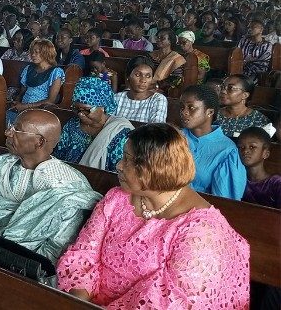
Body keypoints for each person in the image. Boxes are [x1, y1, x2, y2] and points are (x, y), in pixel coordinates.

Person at [57, 123, 249, 308]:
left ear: (153, 168)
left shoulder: (201, 233)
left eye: (127, 159)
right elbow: (84, 253)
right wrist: (79, 302)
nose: (119, 165)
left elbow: (167, 303)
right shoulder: (117, 198)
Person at [0, 109, 101, 263]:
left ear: (40, 142)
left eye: (16, 130)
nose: (7, 133)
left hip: (33, 264)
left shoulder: (69, 184)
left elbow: (58, 244)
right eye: (10, 126)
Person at [53, 77, 133, 173]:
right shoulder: (72, 125)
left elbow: (118, 171)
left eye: (87, 110)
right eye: (76, 108)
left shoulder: (121, 133)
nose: (80, 114)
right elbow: (58, 157)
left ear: (103, 107)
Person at [179, 85, 246, 200]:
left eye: (191, 107)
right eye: (182, 107)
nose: (184, 112)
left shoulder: (227, 150)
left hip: (203, 212)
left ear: (209, 112)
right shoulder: (174, 138)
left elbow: (224, 201)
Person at [7, 39, 64, 125]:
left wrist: (25, 106)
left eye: (37, 52)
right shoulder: (29, 68)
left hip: (40, 110)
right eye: (32, 52)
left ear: (46, 53)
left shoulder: (55, 72)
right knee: (5, 115)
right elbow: (22, 92)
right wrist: (16, 102)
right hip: (23, 107)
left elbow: (50, 100)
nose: (33, 55)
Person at [216, 74, 273, 139]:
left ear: (245, 95)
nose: (223, 91)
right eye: (222, 87)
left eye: (231, 88)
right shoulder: (213, 114)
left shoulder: (258, 120)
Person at [114, 57, 167, 123]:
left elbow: (156, 129)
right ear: (128, 76)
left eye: (148, 76)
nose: (143, 80)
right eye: (138, 75)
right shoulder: (117, 98)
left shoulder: (157, 99)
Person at [238, 127, 281, 209]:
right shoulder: (238, 179)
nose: (245, 151)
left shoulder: (276, 183)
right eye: (241, 147)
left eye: (252, 147)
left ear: (266, 154)